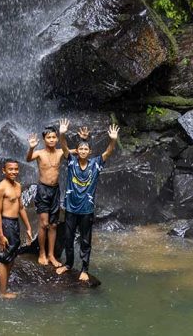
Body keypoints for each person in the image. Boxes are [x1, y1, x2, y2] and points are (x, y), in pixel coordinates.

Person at [55, 124, 119, 282]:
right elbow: (63, 147)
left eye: (86, 149)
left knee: (85, 240)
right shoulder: (71, 162)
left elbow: (108, 152)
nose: (83, 151)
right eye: (80, 149)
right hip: (70, 208)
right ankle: (69, 264)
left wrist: (113, 141)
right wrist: (61, 135)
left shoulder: (96, 163)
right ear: (77, 151)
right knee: (68, 238)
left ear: (90, 152)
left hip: (86, 210)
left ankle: (84, 269)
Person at [25, 119, 70, 268]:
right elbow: (28, 158)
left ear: (57, 138)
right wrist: (31, 147)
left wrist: (66, 134)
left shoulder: (60, 152)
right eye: (48, 137)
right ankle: (42, 253)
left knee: (53, 225)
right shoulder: (39, 153)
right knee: (44, 224)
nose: (51, 140)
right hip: (43, 190)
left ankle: (51, 255)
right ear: (44, 139)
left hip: (56, 190)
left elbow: (79, 151)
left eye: (54, 137)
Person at [0, 158, 34, 299]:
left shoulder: (18, 186)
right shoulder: (1, 188)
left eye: (16, 169)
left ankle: (4, 287)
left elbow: (21, 207)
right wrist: (0, 234)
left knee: (11, 256)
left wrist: (28, 227)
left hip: (14, 223)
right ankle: (2, 292)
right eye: (10, 169)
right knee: (5, 258)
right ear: (4, 170)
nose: (13, 172)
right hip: (5, 224)